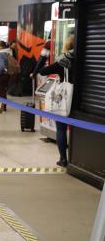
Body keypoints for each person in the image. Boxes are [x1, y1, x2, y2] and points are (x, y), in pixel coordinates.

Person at [40, 35, 75, 167]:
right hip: (80, 101)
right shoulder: (85, 57)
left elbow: (44, 71)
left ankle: (63, 159)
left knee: (61, 128)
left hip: (65, 99)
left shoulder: (64, 60)